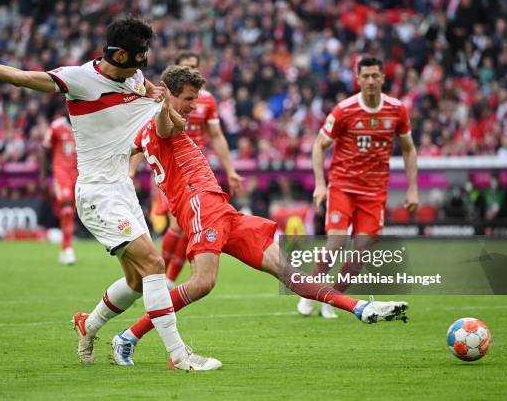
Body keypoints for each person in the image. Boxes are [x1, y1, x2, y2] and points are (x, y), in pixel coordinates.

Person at [0, 16, 220, 371]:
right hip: (97, 193)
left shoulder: (133, 76)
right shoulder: (78, 79)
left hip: (122, 188)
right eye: (139, 56)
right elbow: (23, 78)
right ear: (117, 55)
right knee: (154, 264)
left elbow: (144, 99)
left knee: (135, 280)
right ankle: (179, 356)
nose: (143, 64)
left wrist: (156, 94)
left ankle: (89, 325)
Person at [110, 65, 408, 366]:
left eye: (194, 99)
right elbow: (163, 126)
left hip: (223, 211)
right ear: (168, 94)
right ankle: (131, 337)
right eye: (188, 98)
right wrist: (158, 105)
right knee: (202, 283)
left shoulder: (150, 130)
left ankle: (359, 307)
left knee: (288, 272)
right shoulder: (165, 123)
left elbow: (135, 145)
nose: (193, 106)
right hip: (200, 206)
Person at [296, 56, 419, 318]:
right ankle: (310, 292)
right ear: (358, 78)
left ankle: (332, 298)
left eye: (376, 76)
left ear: (383, 78)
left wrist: (412, 188)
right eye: (366, 76)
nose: (371, 81)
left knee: (360, 254)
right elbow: (319, 145)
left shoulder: (397, 110)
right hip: (343, 185)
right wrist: (320, 184)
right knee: (337, 242)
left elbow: (409, 149)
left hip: (375, 192)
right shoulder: (344, 110)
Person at [134, 50, 243, 288]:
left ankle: (167, 279)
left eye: (195, 65)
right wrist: (130, 170)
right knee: (178, 225)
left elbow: (216, 135)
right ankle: (161, 277)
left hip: (195, 168)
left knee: (184, 227)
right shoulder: (162, 100)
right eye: (187, 65)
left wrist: (230, 169)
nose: (192, 68)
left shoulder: (207, 100)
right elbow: (146, 138)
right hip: (170, 167)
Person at [40, 115, 78, 265]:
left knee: (72, 211)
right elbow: (44, 149)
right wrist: (43, 176)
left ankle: (65, 248)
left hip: (79, 174)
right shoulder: (56, 126)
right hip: (61, 173)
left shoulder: (84, 122)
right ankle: (68, 249)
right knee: (66, 207)